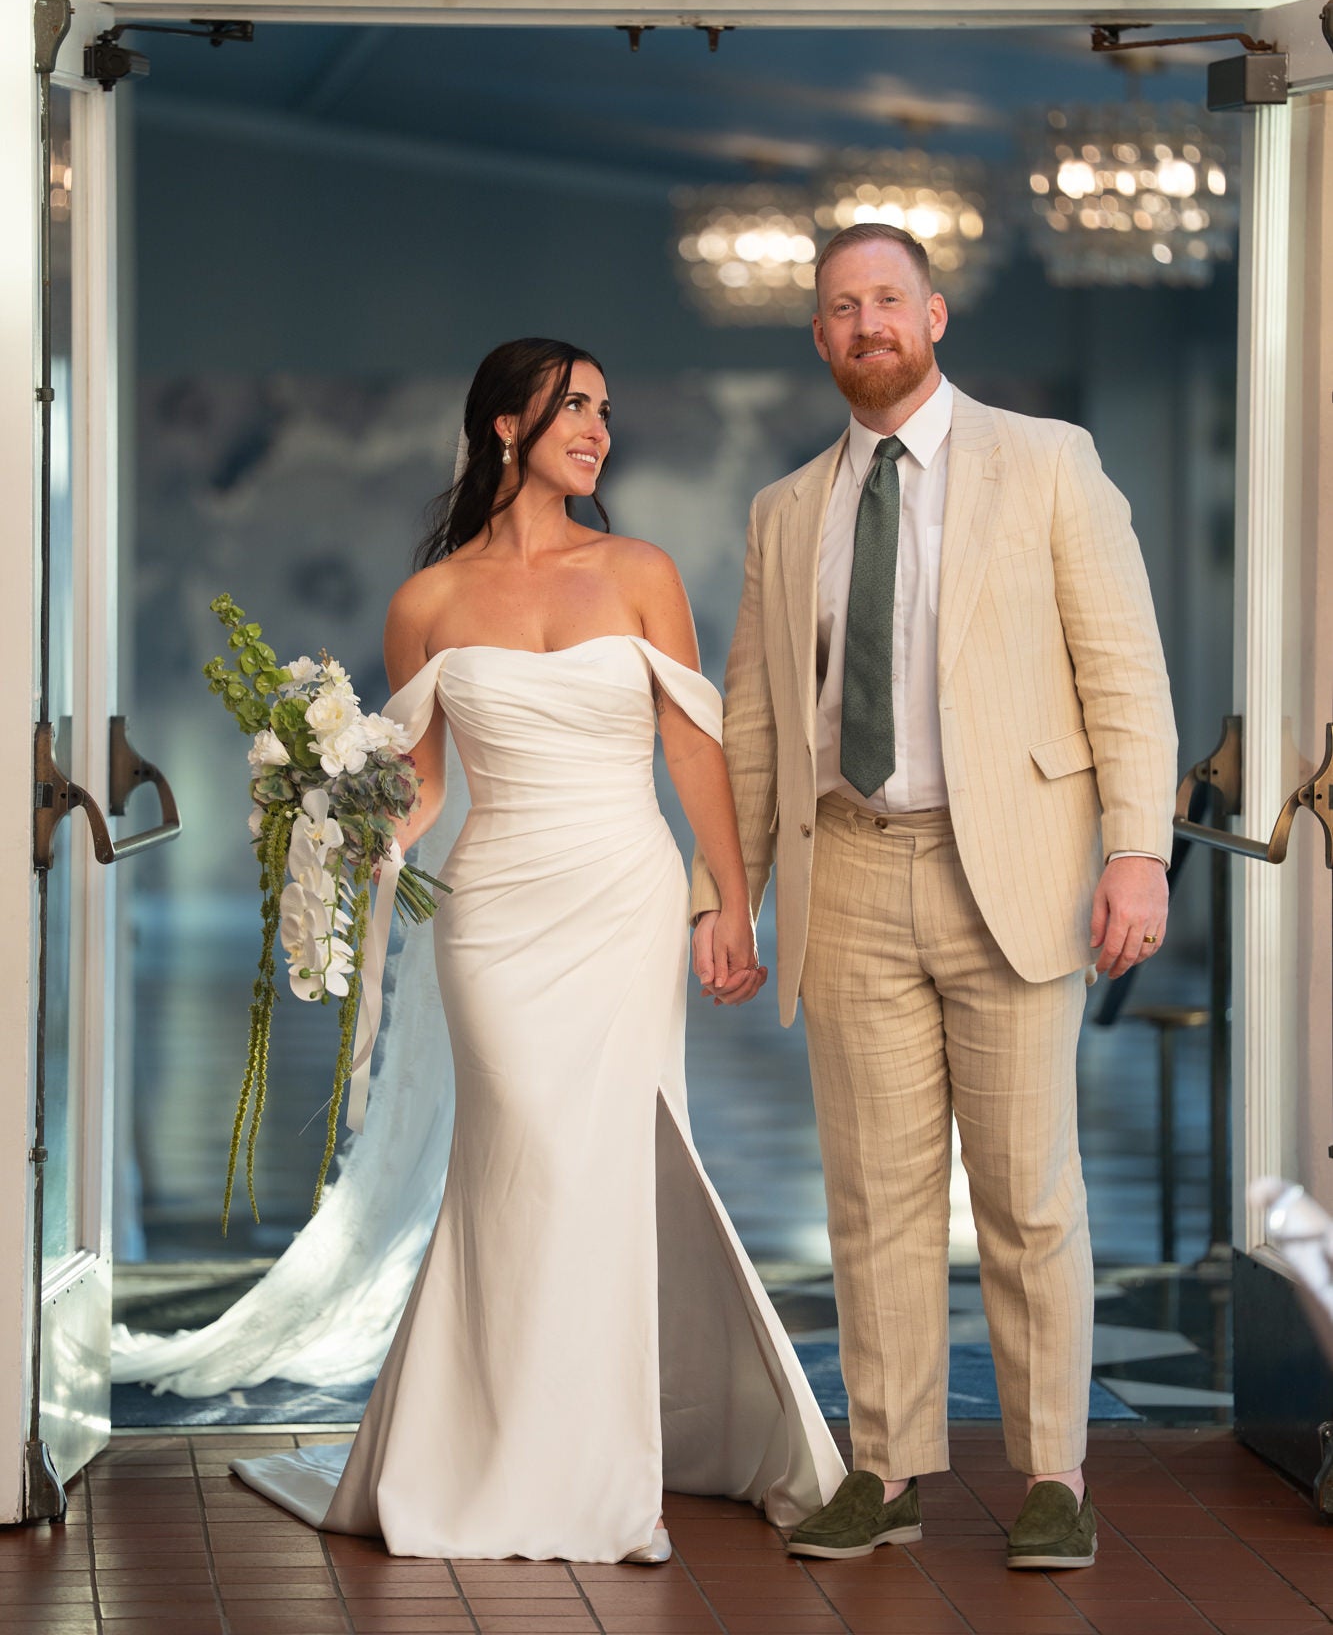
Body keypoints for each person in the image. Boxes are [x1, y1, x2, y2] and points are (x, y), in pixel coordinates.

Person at [231, 336, 844, 1564]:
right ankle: (493, 1447)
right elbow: (416, 782)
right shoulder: (430, 601)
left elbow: (690, 748)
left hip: (622, 899)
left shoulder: (640, 570)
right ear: (504, 427)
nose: (599, 429)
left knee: (602, 1171)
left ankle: (600, 1465)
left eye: (606, 410)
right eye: (575, 407)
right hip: (497, 914)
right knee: (519, 1160)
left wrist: (729, 897)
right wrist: (340, 832)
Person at [691, 225, 1177, 1572]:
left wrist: (1138, 851)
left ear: (935, 315)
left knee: (1027, 1193)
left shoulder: (1046, 461)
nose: (866, 325)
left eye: (886, 301)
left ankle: (1054, 1478)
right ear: (819, 339)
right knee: (875, 1193)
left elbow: (1123, 675)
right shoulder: (788, 509)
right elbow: (748, 720)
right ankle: (886, 1467)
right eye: (840, 308)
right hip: (845, 870)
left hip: (1005, 866)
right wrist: (723, 893)